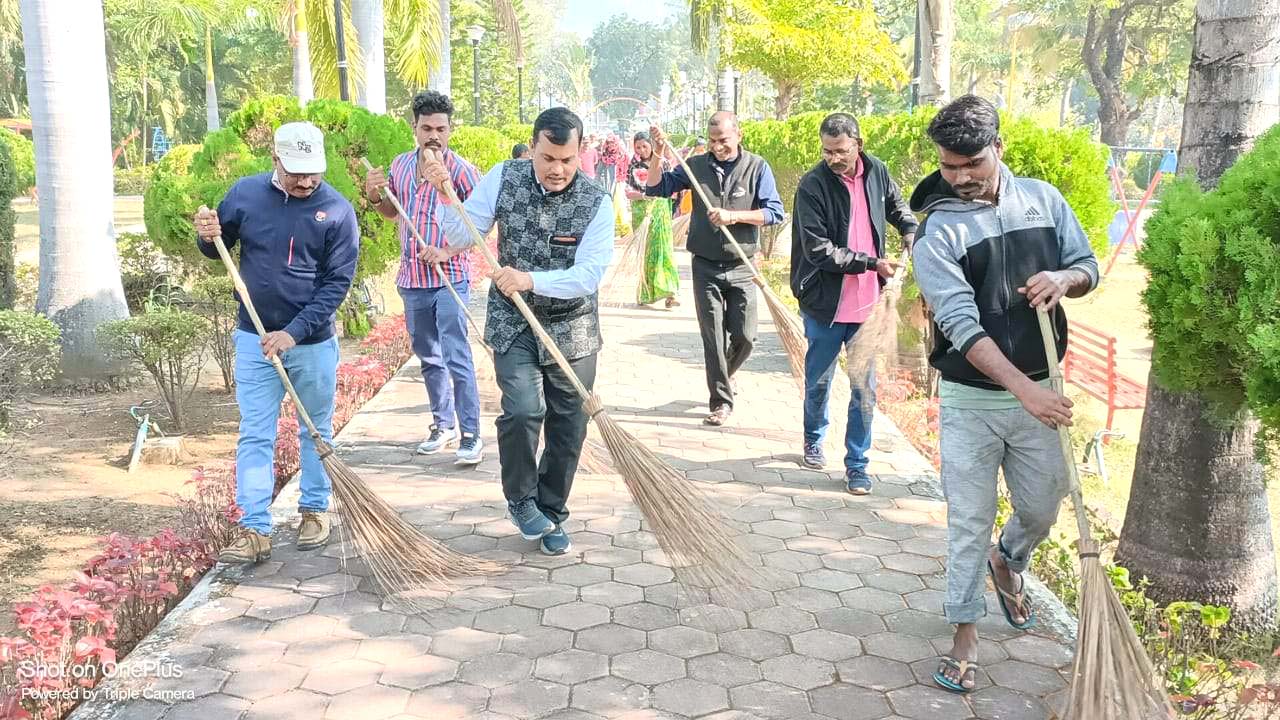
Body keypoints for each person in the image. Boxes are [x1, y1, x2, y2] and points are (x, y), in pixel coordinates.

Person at [910, 95, 1098, 694]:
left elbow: (1087, 263)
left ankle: (1009, 561)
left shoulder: (1045, 200)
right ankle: (964, 634)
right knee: (969, 520)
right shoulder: (937, 230)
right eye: (949, 167)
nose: (961, 178)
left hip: (1045, 392)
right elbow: (961, 325)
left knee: (1044, 506)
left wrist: (1065, 278)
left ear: (999, 149)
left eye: (972, 164)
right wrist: (1022, 391)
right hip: (973, 402)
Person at [421, 107, 613, 556]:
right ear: (532, 149)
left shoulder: (596, 201)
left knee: (570, 425)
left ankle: (552, 512)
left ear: (580, 153)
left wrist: (530, 279)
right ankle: (522, 500)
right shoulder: (504, 177)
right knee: (525, 411)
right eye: (548, 158)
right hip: (514, 324)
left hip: (574, 328)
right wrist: (445, 195)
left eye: (567, 160)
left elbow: (587, 275)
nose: (557, 169)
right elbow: (464, 232)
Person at [193, 122, 359, 563]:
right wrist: (207, 235)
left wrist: (294, 333)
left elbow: (335, 284)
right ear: (275, 160)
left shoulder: (338, 211)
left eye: (313, 173)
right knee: (255, 433)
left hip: (311, 343)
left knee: (316, 429)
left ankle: (314, 509)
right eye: (295, 171)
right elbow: (219, 249)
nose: (306, 181)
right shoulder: (245, 194)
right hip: (253, 337)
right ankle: (254, 527)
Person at [790, 113, 917, 495]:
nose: (833, 158)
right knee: (819, 382)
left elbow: (897, 206)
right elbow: (817, 249)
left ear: (857, 144)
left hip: (868, 307)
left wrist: (910, 229)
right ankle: (814, 437)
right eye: (827, 151)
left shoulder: (876, 170)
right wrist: (871, 262)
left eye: (840, 151)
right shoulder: (812, 186)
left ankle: (857, 464)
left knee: (865, 388)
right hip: (825, 304)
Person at [364, 91, 484, 465]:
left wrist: (447, 251)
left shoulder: (462, 171)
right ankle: (442, 425)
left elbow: (479, 227)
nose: (434, 135)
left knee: (457, 355)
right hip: (412, 279)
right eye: (427, 128)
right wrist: (373, 195)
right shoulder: (400, 165)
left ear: (450, 130)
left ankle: (471, 434)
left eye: (441, 129)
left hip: (451, 277)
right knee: (429, 358)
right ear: (414, 128)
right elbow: (390, 212)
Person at [647, 113, 785, 426]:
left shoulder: (757, 167)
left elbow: (774, 212)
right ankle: (721, 400)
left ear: (738, 135)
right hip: (705, 264)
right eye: (712, 141)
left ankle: (725, 374)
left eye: (723, 140)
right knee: (712, 337)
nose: (717, 147)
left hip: (742, 263)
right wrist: (657, 153)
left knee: (745, 336)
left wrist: (734, 217)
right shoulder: (696, 166)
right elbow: (655, 186)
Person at [625, 131, 679, 309]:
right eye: (638, 147)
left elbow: (671, 190)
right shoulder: (633, 166)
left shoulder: (663, 164)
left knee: (664, 249)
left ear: (651, 145)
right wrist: (643, 195)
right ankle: (646, 292)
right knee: (646, 253)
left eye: (644, 146)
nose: (641, 150)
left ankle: (671, 292)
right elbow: (628, 191)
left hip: (660, 211)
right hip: (641, 213)